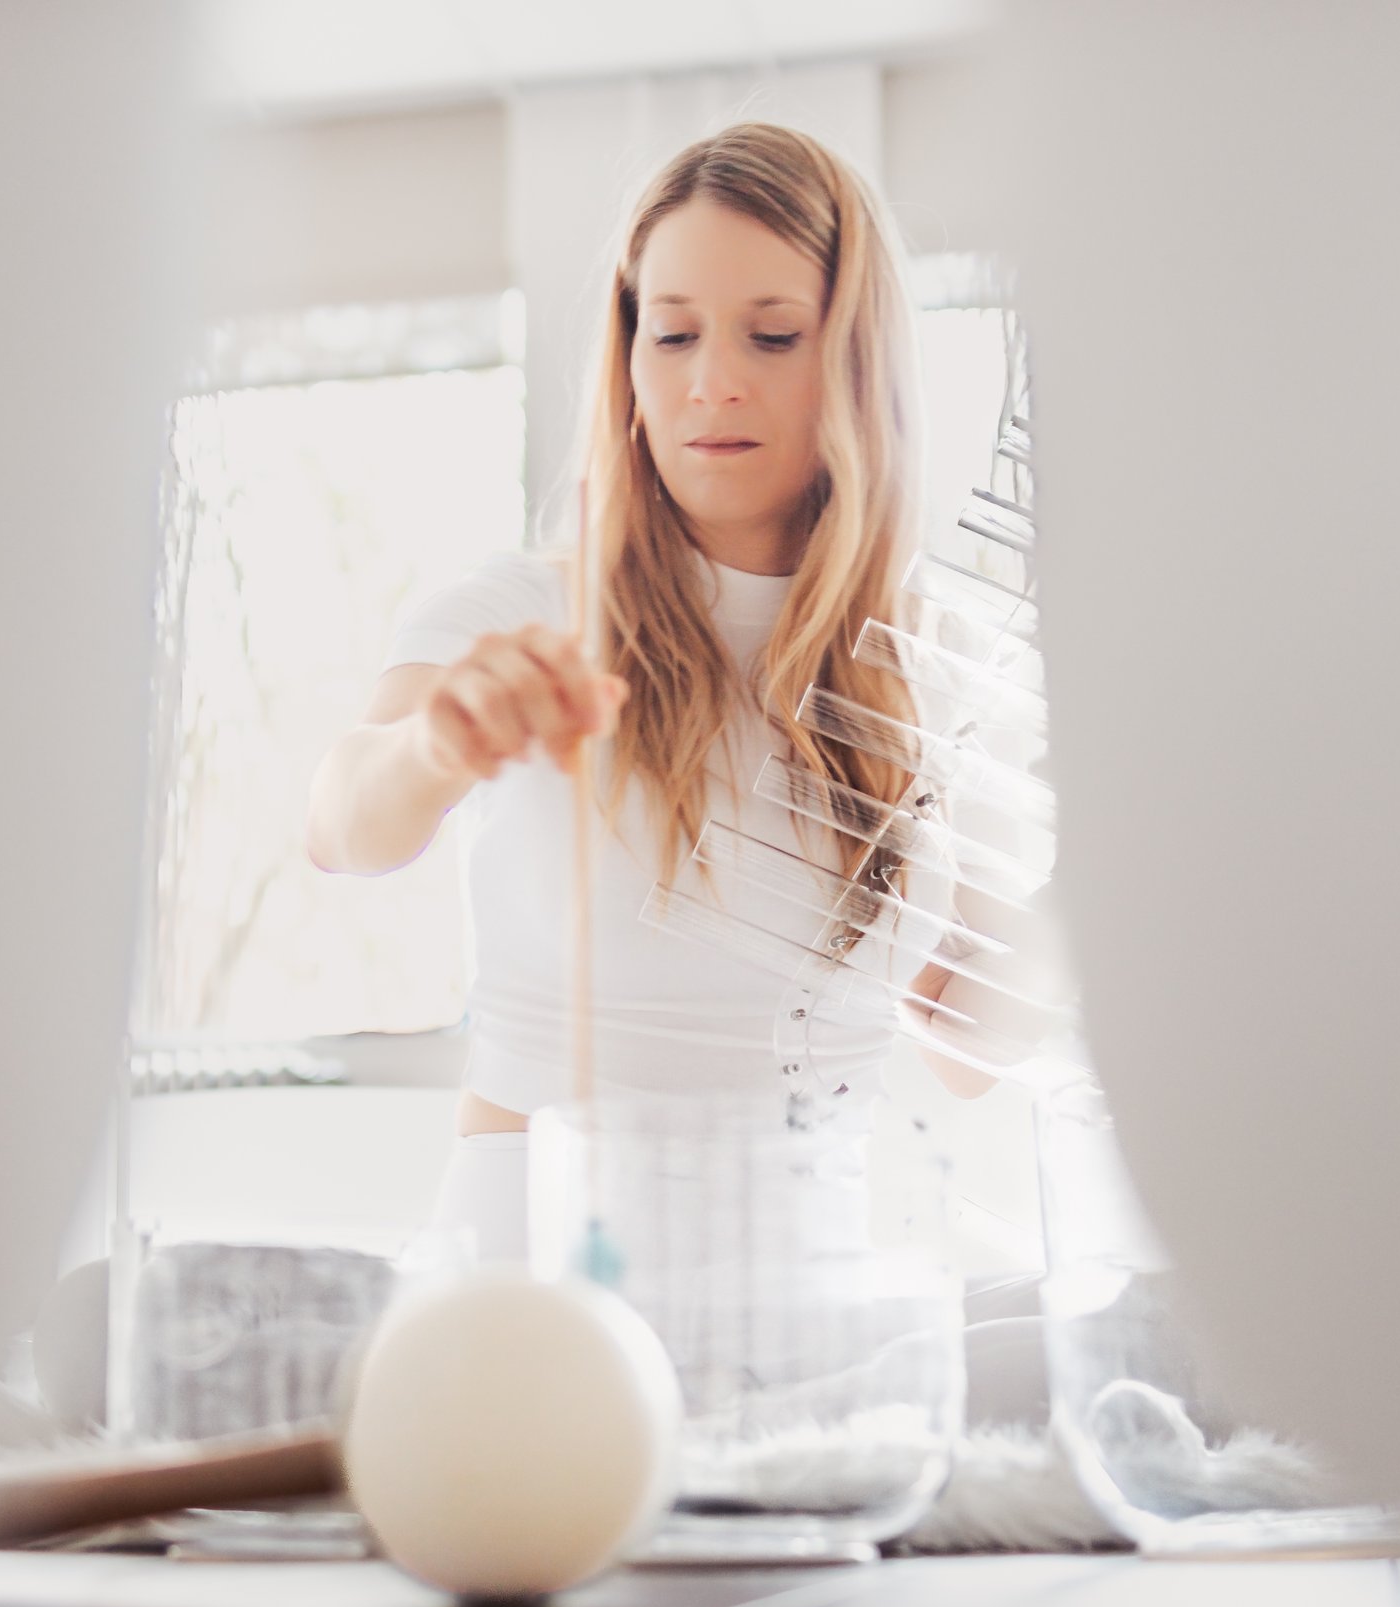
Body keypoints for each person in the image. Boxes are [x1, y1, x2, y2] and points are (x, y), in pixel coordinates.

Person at [306, 123, 1043, 1424]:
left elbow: (981, 1037)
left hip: (831, 1327)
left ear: (858, 360)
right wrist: (438, 745)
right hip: (531, 1310)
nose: (711, 383)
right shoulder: (521, 612)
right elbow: (343, 825)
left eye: (771, 335)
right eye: (672, 332)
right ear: (628, 356)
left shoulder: (941, 665)